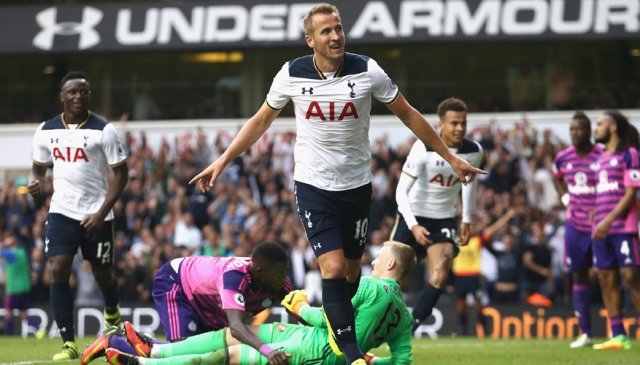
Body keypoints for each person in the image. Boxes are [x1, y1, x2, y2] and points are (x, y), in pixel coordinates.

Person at [189, 5, 485, 364]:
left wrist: (452, 158)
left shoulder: (367, 70)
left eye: (338, 29)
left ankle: (333, 332)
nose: (335, 37)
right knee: (331, 269)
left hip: (357, 186)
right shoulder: (291, 74)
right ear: (310, 40)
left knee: (348, 275)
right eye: (326, 31)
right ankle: (352, 356)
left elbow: (408, 113)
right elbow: (261, 119)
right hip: (314, 186)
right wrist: (222, 160)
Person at [104, 241, 416, 365]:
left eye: (381, 258)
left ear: (390, 267)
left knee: (225, 353)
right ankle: (153, 352)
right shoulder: (404, 317)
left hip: (315, 350)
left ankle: (147, 360)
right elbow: (403, 363)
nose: (374, 260)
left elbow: (333, 320)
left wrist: (302, 308)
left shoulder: (368, 286)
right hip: (181, 283)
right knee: (227, 339)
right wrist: (373, 361)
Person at [29, 71, 128, 360]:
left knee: (102, 273)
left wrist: (101, 213)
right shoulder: (45, 130)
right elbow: (38, 169)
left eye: (83, 92)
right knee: (57, 268)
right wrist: (35, 185)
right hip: (61, 211)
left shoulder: (104, 130)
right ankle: (68, 343)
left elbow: (121, 175)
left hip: (97, 214)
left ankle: (112, 312)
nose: (77, 96)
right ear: (61, 96)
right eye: (72, 92)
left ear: (89, 95)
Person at [82, 241, 293, 365]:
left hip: (209, 307)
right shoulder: (235, 276)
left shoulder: (280, 285)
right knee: (183, 354)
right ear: (260, 272)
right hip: (177, 283)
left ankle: (142, 341)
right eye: (279, 273)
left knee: (206, 356)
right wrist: (268, 351)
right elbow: (237, 327)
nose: (283, 278)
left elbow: (299, 312)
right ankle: (113, 343)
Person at [390, 97, 483, 331]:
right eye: (454, 123)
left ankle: (411, 325)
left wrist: (467, 219)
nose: (460, 128)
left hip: (443, 218)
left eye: (463, 123)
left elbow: (468, 183)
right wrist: (412, 225)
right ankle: (371, 324)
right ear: (441, 124)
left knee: (440, 275)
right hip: (412, 215)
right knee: (390, 281)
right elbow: (401, 193)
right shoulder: (423, 147)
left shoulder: (474, 151)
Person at [590, 110, 640, 351]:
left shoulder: (630, 155)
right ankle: (618, 335)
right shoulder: (600, 159)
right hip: (601, 229)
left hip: (623, 228)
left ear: (613, 127)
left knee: (629, 277)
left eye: (600, 124)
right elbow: (603, 192)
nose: (596, 128)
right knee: (606, 279)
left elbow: (631, 193)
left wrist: (608, 220)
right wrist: (597, 215)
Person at [552, 111, 602, 348]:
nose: (575, 133)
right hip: (575, 225)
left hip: (601, 224)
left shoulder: (601, 156)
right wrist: (563, 195)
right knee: (578, 274)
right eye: (572, 129)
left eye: (579, 129)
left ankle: (618, 327)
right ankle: (585, 332)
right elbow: (556, 176)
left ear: (589, 131)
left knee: (611, 275)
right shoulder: (563, 157)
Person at [0, 232, 41, 336]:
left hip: (13, 288)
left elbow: (1, 251)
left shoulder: (12, 253)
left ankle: (9, 335)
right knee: (23, 313)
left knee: (8, 312)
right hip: (24, 287)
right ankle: (39, 330)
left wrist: (4, 244)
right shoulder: (22, 252)